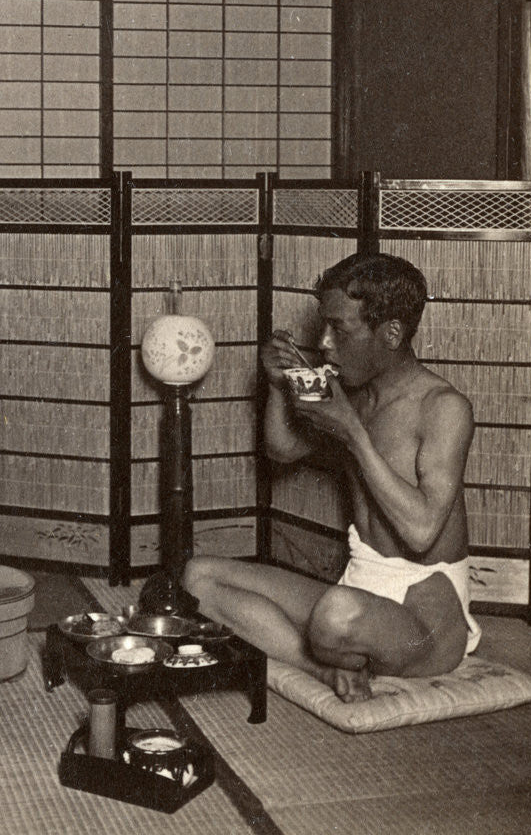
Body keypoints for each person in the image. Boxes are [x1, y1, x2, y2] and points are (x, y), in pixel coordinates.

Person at [183, 252, 481, 702]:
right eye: (324, 325)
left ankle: (331, 650)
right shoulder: (354, 394)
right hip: (357, 587)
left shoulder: (443, 407)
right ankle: (322, 671)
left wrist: (353, 434)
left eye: (339, 328)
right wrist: (278, 384)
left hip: (427, 620)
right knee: (197, 576)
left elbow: (420, 532)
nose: (323, 342)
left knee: (334, 616)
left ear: (392, 334)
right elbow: (282, 450)